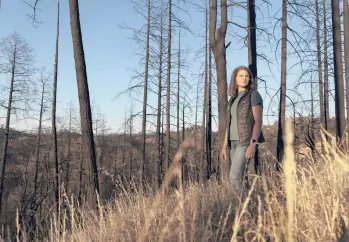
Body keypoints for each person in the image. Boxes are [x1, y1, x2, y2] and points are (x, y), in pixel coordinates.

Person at [220, 66, 265, 194]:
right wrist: (224, 146)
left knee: (233, 177)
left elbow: (258, 122)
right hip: (232, 143)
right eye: (241, 75)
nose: (244, 78)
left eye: (246, 76)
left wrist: (252, 144)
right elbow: (229, 124)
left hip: (245, 142)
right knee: (241, 179)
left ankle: (244, 208)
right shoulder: (232, 100)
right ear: (235, 79)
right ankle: (251, 207)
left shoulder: (253, 95)